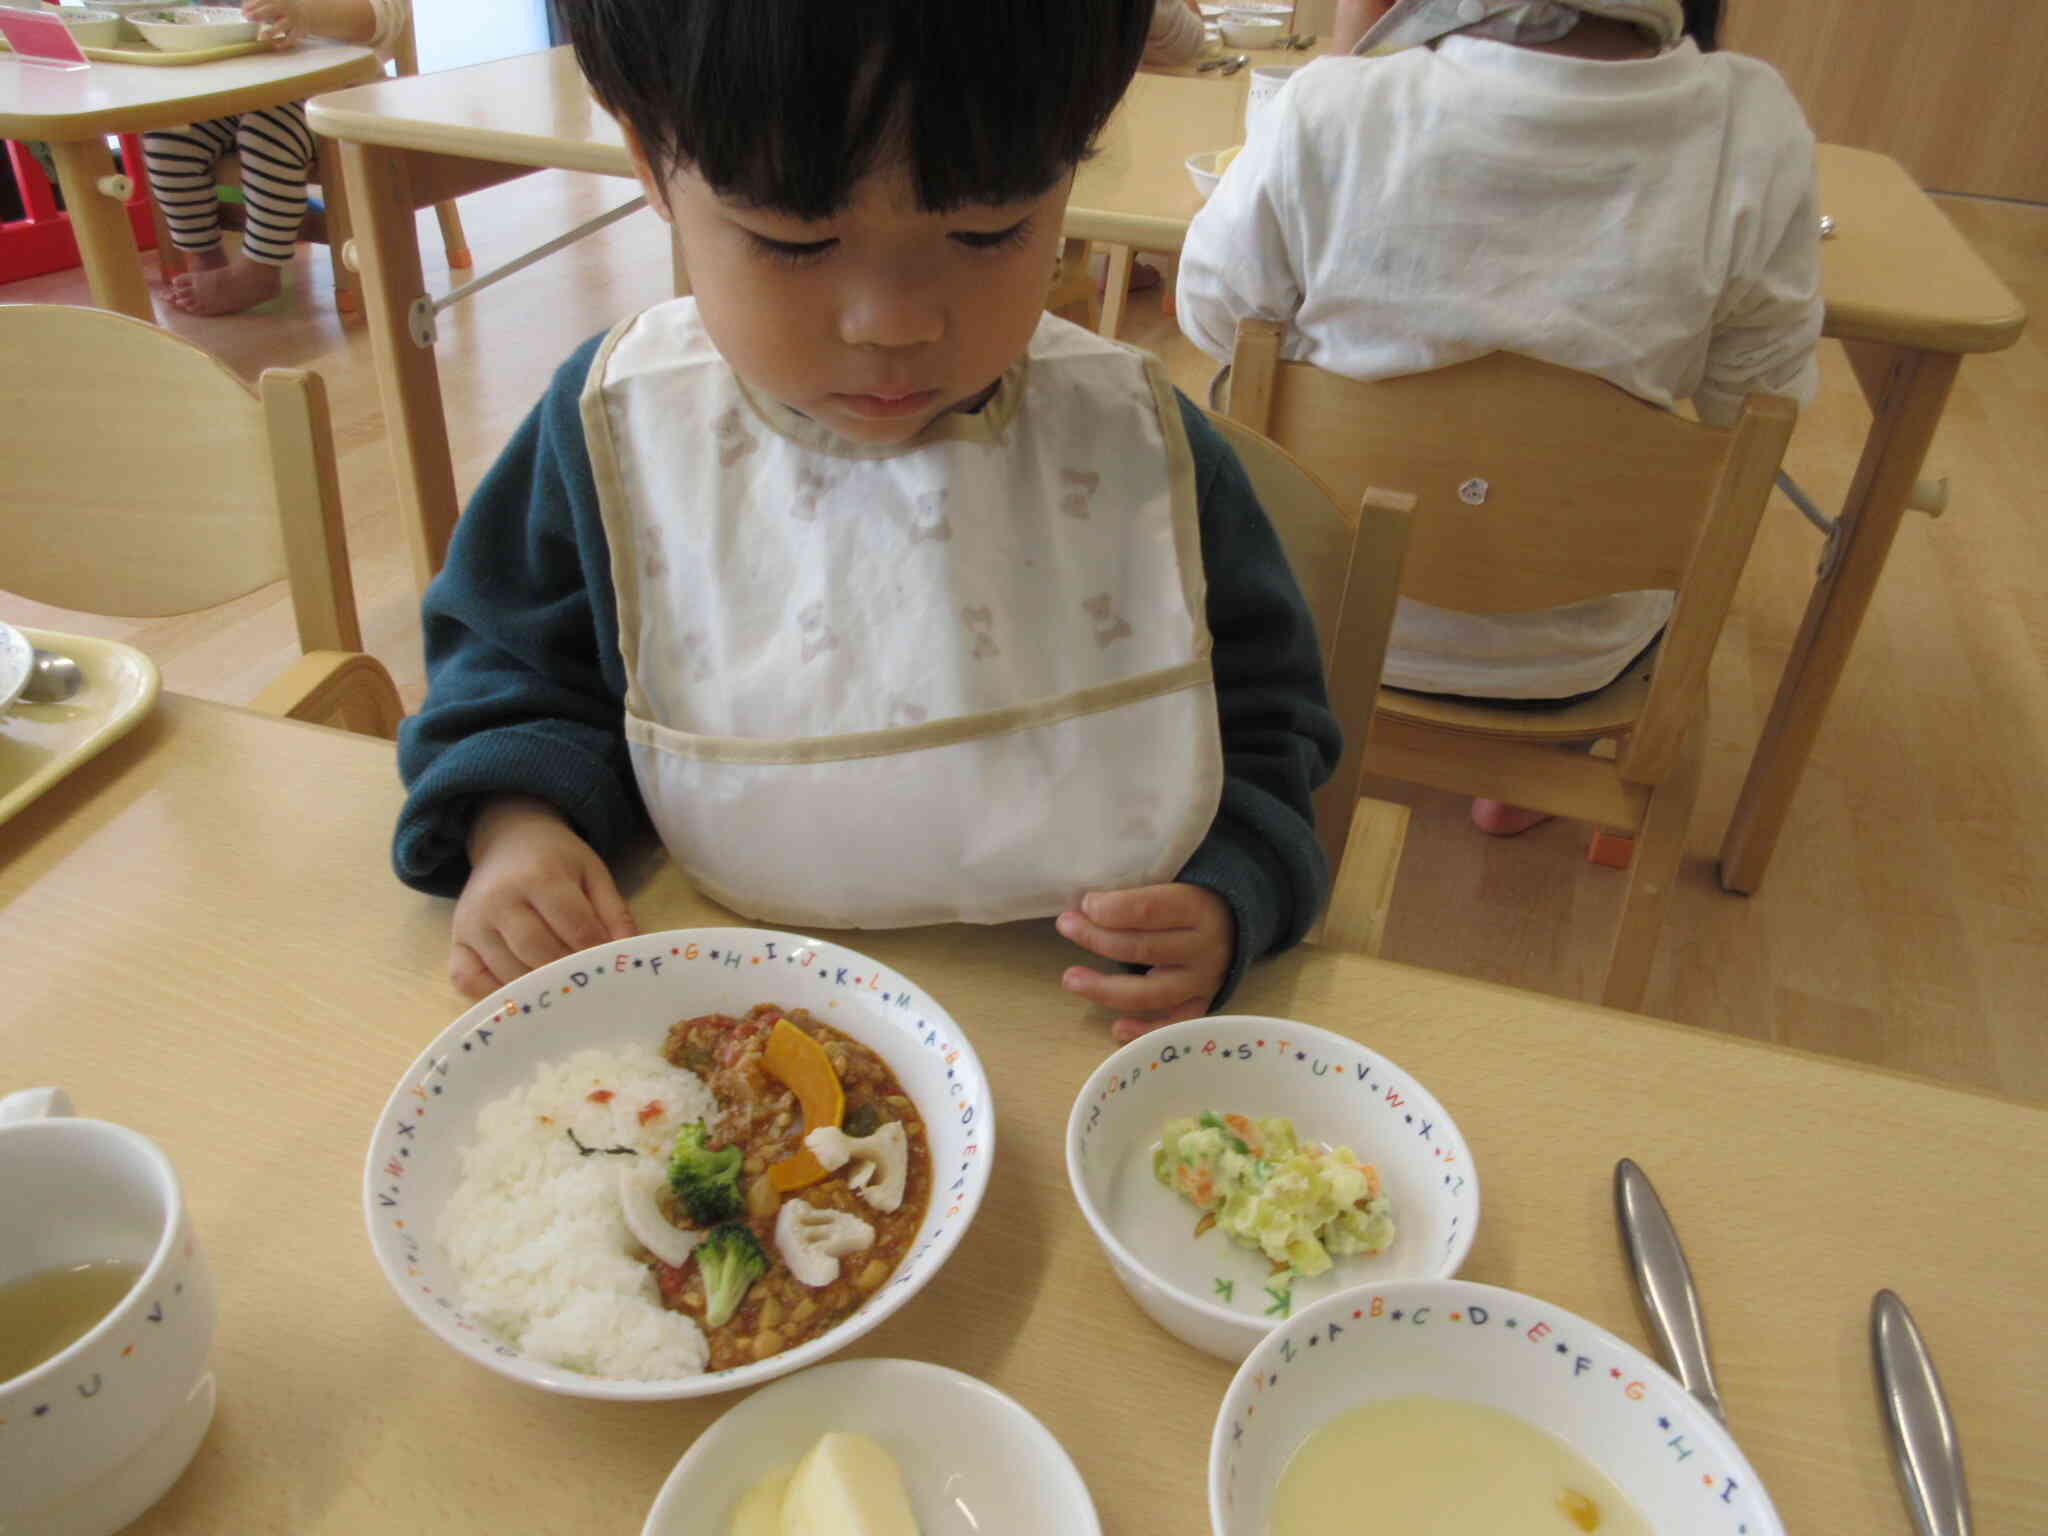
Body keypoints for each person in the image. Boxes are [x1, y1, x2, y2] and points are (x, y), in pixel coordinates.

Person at [392, 0, 1343, 1044]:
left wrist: (1232, 885)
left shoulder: (1139, 448)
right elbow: (512, 672)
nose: (895, 323)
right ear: (651, 166)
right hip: (721, 999)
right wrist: (517, 823)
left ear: (1073, 166)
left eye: (987, 231)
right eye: (792, 242)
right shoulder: (616, 430)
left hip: (1071, 1021)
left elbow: (1264, 721)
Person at [1181, 0, 1820, 836]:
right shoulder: (1751, 123)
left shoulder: (1335, 104)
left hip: (1311, 616)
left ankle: (1287, 757)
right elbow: (1761, 400)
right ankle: (1524, 776)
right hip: (1574, 659)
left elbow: (1216, 317)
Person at [141, 0, 409, 315]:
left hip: (337, 92)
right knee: (168, 135)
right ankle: (204, 256)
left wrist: (307, 13)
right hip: (241, 89)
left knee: (268, 131)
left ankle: (260, 269)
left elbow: (383, 18)